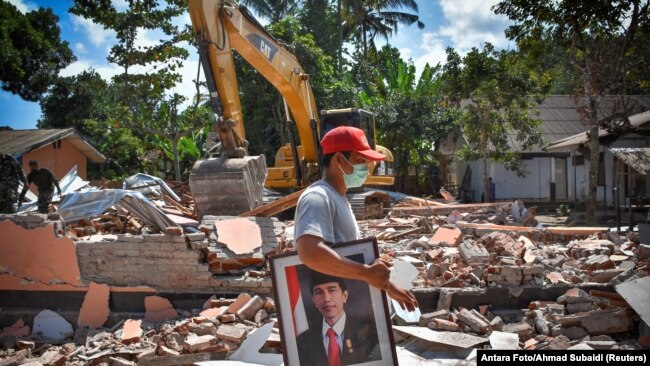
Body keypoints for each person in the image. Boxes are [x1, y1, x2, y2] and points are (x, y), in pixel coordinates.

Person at [294, 126, 418, 312]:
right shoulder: (318, 197)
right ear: (339, 159)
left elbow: (343, 258)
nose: (365, 169)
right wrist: (367, 273)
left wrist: (386, 284)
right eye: (360, 161)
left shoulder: (339, 199)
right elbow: (310, 253)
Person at [296, 270, 379, 366]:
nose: (326, 298)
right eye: (319, 292)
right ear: (314, 300)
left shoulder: (367, 331)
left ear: (344, 296)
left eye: (332, 290)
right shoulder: (303, 341)